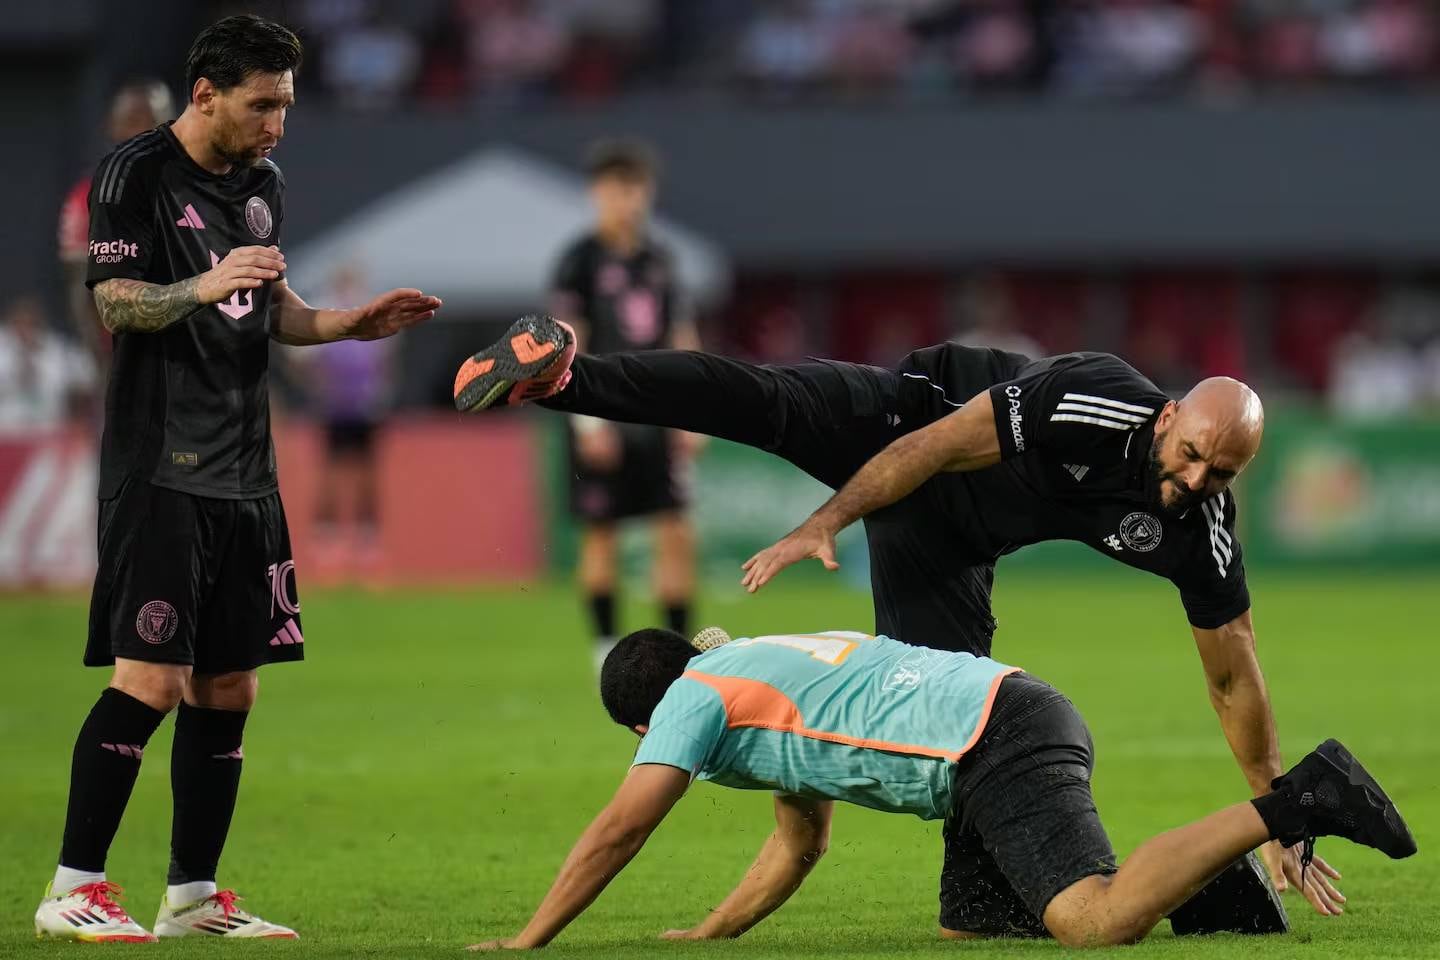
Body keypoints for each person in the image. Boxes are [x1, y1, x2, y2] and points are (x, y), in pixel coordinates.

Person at [451, 317, 1340, 913]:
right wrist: (827, 520)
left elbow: (1232, 674)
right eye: (1189, 455)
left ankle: (988, 911)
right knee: (767, 404)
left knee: (950, 728)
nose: (1192, 483)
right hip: (908, 424)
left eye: (1218, 475)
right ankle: (566, 377)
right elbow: (930, 448)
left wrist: (1278, 811)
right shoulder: (1090, 398)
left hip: (946, 548)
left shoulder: (1203, 530)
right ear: (1171, 414)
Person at [34, 15, 440, 943]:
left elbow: (271, 307)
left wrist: (345, 324)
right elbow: (116, 304)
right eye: (264, 104)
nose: (278, 125)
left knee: (230, 688)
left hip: (247, 473)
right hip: (161, 467)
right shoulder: (133, 174)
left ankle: (193, 895)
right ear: (207, 92)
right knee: (152, 677)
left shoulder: (263, 185)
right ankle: (74, 884)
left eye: (287, 105)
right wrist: (201, 286)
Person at [467, 627, 1414, 950]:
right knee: (975, 926)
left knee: (1089, 923)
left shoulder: (687, 699)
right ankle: (1214, 889)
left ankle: (1299, 798)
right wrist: (713, 933)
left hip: (989, 740)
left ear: (642, 724)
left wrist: (527, 939)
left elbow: (618, 830)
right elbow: (801, 839)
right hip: (999, 720)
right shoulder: (747, 674)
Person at [547, 139, 703, 673]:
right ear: (596, 194)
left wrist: (698, 411)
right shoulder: (579, 261)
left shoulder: (661, 259)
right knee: (602, 533)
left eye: (635, 188)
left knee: (676, 530)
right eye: (616, 189)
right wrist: (588, 424)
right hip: (604, 414)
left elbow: (682, 335)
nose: (627, 200)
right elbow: (571, 340)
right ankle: (604, 648)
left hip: (659, 417)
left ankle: (682, 655)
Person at [58, 80, 175, 397]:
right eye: (132, 120)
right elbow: (81, 289)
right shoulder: (88, 196)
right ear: (112, 127)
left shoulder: (191, 193)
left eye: (153, 119)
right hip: (124, 359)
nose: (144, 131)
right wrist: (105, 363)